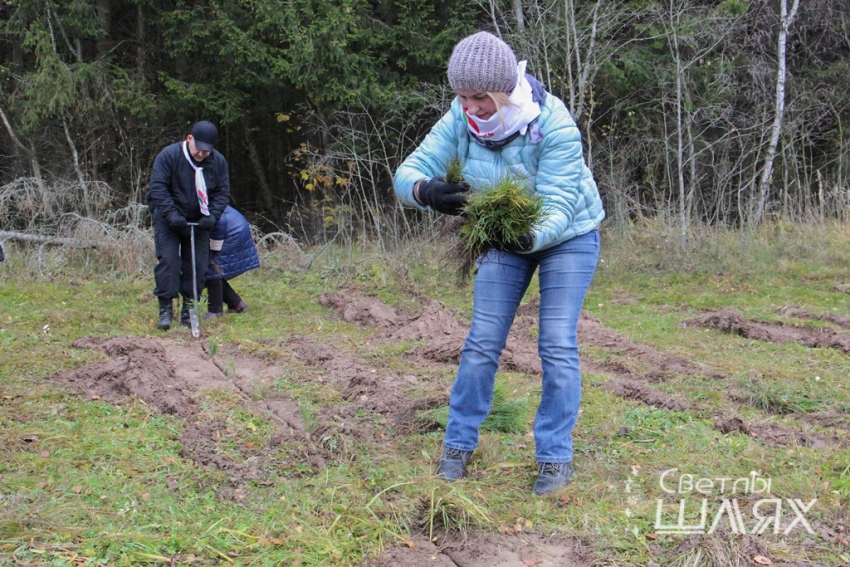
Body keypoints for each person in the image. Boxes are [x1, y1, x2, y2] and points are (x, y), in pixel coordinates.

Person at [393, 31, 605, 495]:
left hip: (567, 237)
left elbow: (558, 204)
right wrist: (425, 191)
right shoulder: (460, 117)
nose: (470, 107)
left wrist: (525, 236)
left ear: (504, 91)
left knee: (555, 343)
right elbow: (407, 171)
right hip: (506, 239)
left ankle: (554, 458)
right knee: (482, 341)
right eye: (462, 97)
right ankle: (457, 447)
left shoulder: (554, 124)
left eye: (479, 97)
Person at [147, 121, 231, 330]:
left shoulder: (217, 162)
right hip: (169, 220)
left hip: (200, 222)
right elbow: (158, 188)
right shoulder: (169, 156)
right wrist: (172, 215)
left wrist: (212, 216)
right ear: (189, 139)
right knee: (169, 262)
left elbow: (222, 192)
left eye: (206, 151)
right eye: (199, 150)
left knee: (198, 267)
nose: (202, 155)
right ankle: (165, 308)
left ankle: (189, 308)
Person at [204, 205, 260, 321]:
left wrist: (214, 245)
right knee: (208, 265)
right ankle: (236, 304)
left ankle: (215, 310)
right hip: (225, 226)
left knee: (212, 265)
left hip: (230, 229)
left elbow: (220, 220)